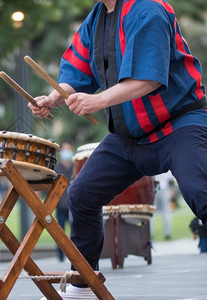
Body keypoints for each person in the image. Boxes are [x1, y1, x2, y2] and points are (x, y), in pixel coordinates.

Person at [29, 0, 207, 298]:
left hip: (178, 124)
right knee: (81, 195)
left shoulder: (148, 9)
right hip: (129, 137)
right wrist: (53, 99)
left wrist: (97, 101)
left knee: (200, 191)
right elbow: (76, 74)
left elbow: (149, 79)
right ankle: (83, 284)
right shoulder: (96, 20)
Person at [54, 140, 75, 262]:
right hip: (60, 206)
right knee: (60, 234)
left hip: (72, 207)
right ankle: (61, 257)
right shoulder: (57, 168)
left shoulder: (75, 168)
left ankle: (74, 257)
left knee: (75, 232)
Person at [151, 171, 174, 240]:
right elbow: (170, 179)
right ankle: (167, 233)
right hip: (163, 188)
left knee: (152, 212)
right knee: (166, 212)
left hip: (155, 189)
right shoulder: (165, 162)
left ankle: (150, 233)